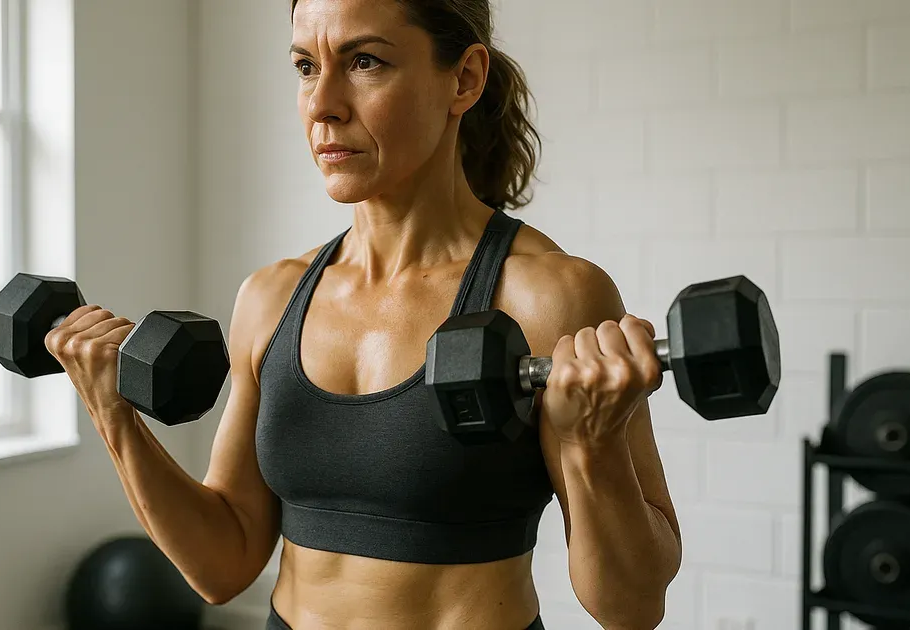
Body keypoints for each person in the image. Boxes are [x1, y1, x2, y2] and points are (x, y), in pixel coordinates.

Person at [44, 0, 682, 628]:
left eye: (366, 61)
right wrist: (112, 414)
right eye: (304, 67)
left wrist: (592, 443)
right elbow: (223, 565)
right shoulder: (271, 299)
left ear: (464, 79)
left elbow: (629, 609)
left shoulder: (547, 297)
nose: (322, 106)